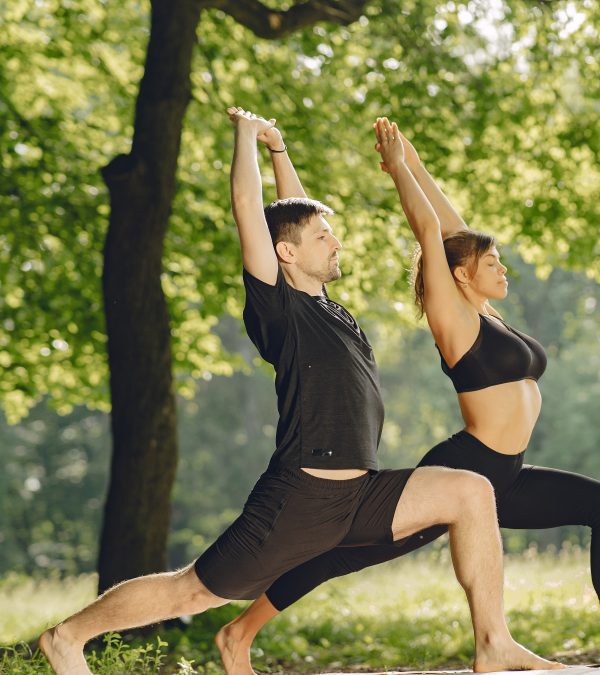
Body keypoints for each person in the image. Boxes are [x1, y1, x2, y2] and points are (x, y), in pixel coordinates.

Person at [37, 108, 559, 675]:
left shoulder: (327, 308)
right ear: (286, 253)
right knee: (193, 591)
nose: (335, 243)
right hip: (302, 497)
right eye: (323, 238)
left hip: (360, 491)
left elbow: (296, 217)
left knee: (471, 492)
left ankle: (493, 644)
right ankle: (68, 636)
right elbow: (252, 214)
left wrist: (280, 151)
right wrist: (245, 138)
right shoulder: (279, 310)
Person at [213, 117, 600, 674]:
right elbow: (432, 233)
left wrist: (413, 161)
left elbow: (455, 231)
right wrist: (399, 173)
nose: (501, 266)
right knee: (343, 554)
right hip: (466, 467)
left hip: (508, 471)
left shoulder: (486, 311)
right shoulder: (452, 314)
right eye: (491, 262)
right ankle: (239, 632)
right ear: (459, 275)